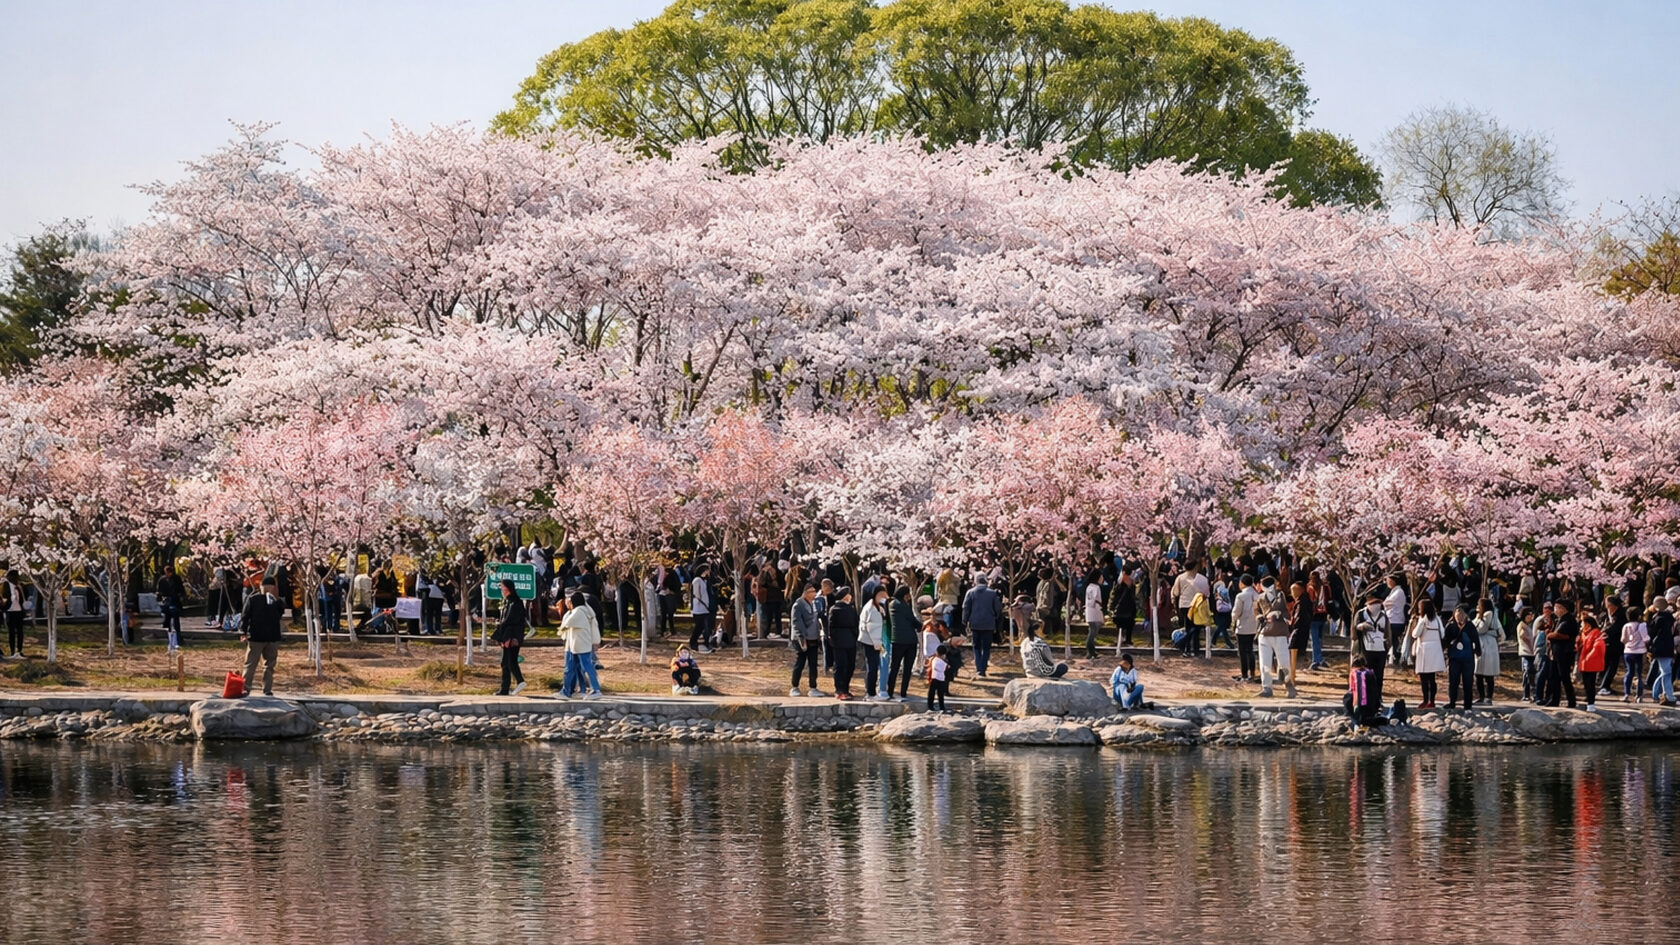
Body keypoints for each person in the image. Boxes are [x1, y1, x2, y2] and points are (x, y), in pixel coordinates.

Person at [238, 576, 286, 697]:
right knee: (265, 665)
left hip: (259, 636)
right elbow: (280, 614)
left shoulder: (257, 600)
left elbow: (245, 617)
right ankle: (264, 689)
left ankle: (248, 688)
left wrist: (243, 632)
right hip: (268, 637)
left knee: (254, 664)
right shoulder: (271, 601)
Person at [559, 590, 603, 700]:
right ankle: (582, 690)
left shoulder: (578, 611)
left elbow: (567, 623)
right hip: (580, 645)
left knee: (587, 667)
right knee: (580, 668)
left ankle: (596, 689)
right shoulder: (587, 611)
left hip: (581, 646)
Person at [491, 579, 529, 696]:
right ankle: (507, 687)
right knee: (508, 662)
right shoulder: (509, 602)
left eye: (502, 588)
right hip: (509, 636)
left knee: (508, 661)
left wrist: (505, 637)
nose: (501, 590)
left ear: (507, 589)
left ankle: (517, 682)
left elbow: (510, 622)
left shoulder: (515, 603)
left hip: (512, 637)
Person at [962, 574, 1003, 678]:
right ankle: (983, 668)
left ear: (976, 581)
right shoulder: (992, 593)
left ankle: (978, 667)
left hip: (975, 623)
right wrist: (996, 617)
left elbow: (966, 608)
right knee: (986, 647)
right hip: (988, 623)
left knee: (976, 646)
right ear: (985, 581)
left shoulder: (970, 592)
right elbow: (998, 609)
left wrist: (965, 620)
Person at [1354, 592, 1390, 710]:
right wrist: (1361, 627)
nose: (1375, 606)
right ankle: (1366, 698)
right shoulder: (1361, 614)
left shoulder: (1384, 616)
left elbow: (1388, 633)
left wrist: (1387, 647)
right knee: (1366, 674)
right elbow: (1354, 631)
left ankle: (1378, 698)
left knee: (1379, 675)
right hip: (1366, 649)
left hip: (1381, 650)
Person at [1443, 605, 1482, 711]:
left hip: (1467, 658)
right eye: (1457, 614)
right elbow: (1445, 641)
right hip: (1454, 658)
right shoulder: (1450, 626)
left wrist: (1478, 652)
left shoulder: (1470, 626)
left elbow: (1476, 640)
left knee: (1468, 681)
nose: (1459, 616)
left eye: (1461, 614)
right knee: (1453, 681)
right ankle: (1452, 702)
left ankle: (1467, 705)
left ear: (1465, 615)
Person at [1541, 599, 1579, 709]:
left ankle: (1571, 700)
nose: (1555, 610)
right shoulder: (1559, 620)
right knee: (1554, 677)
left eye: (1557, 607)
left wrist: (1550, 635)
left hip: (1564, 652)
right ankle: (1554, 699)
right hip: (1555, 652)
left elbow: (1562, 635)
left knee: (1564, 677)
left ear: (1563, 609)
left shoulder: (1569, 620)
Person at [886, 585, 920, 701]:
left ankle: (889, 691)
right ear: (905, 595)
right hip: (909, 640)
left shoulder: (891, 604)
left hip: (897, 640)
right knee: (907, 668)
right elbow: (912, 620)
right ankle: (903, 692)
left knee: (894, 667)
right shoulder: (903, 606)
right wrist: (921, 626)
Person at [790, 583, 824, 697]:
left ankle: (813, 687)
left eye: (814, 591)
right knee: (800, 662)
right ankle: (795, 686)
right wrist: (801, 638)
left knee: (813, 663)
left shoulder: (814, 604)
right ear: (805, 593)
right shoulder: (798, 605)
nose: (814, 594)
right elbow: (797, 623)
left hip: (813, 638)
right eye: (811, 592)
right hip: (802, 639)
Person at [1410, 599, 1446, 710]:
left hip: (1424, 650)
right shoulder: (1437, 619)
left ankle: (1425, 700)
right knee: (1432, 678)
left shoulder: (1423, 620)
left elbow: (1415, 634)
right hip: (1435, 650)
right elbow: (1443, 634)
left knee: (1424, 678)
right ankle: (1432, 701)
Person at [1258, 599, 1294, 698]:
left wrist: (1280, 614)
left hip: (1280, 634)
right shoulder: (1260, 598)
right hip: (1264, 633)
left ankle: (1288, 684)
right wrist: (1261, 617)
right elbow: (1256, 612)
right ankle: (1266, 687)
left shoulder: (1282, 597)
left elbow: (1289, 614)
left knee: (1284, 662)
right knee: (1265, 662)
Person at [1172, 559, 1210, 654]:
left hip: (1184, 605)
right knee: (1196, 628)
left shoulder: (1180, 578)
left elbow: (1176, 592)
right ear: (1195, 567)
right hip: (1197, 606)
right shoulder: (1202, 579)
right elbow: (1207, 593)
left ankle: (1186, 649)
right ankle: (1195, 649)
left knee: (1188, 627)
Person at [829, 587, 860, 700]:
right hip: (841, 641)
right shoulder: (835, 609)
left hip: (848, 640)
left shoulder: (851, 609)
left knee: (848, 665)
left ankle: (845, 688)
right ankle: (839, 689)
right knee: (841, 665)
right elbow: (831, 627)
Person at [860, 585, 889, 700]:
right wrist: (878, 644)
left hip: (871, 640)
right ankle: (870, 693)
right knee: (872, 667)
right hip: (870, 641)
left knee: (872, 666)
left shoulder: (876, 606)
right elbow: (872, 628)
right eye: (881, 594)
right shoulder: (871, 608)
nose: (883, 597)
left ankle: (870, 691)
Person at [1344, 654, 1387, 726]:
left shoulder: (1353, 673)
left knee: (1347, 697)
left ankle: (1349, 715)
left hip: (1359, 708)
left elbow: (1351, 689)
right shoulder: (1371, 673)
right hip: (1371, 709)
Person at [1473, 598, 1501, 705]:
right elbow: (1501, 632)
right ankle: (1484, 697)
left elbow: (1480, 629)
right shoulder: (1494, 616)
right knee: (1481, 673)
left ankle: (1486, 697)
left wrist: (1477, 618)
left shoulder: (1488, 615)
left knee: (1486, 673)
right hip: (1489, 643)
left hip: (1486, 643)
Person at [1648, 598, 1676, 706]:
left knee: (1665, 671)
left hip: (1659, 647)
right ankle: (1667, 695)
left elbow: (1651, 634)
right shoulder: (1669, 618)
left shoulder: (1657, 618)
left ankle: (1661, 694)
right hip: (1667, 646)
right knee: (1666, 672)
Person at [1577, 613, 1607, 711]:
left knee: (1590, 683)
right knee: (1586, 683)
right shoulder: (1583, 633)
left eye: (1583, 623)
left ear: (1588, 624)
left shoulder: (1596, 633)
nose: (1581, 625)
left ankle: (1591, 703)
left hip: (1591, 662)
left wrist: (1590, 656)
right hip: (1584, 662)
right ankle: (1589, 701)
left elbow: (1598, 646)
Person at [1621, 609, 1648, 703]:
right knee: (1639, 674)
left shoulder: (1626, 626)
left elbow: (1623, 639)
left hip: (1628, 651)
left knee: (1629, 672)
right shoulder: (1642, 625)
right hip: (1639, 651)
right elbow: (1646, 638)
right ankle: (1639, 695)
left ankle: (1626, 694)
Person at [157, 567, 185, 652]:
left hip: (175, 600)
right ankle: (170, 638)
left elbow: (181, 589)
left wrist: (181, 596)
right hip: (166, 600)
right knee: (168, 620)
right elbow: (159, 590)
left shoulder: (176, 579)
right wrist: (160, 597)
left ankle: (178, 638)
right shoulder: (162, 579)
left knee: (176, 620)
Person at [1384, 574, 1409, 668]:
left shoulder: (1399, 592)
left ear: (1393, 580)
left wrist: (1385, 604)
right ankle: (1393, 659)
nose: (1387, 582)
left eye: (1388, 579)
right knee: (1393, 641)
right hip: (1392, 619)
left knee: (1393, 642)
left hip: (1395, 620)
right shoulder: (1394, 591)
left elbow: (1387, 604)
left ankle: (1395, 660)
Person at [1516, 607, 1540, 702]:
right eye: (1529, 615)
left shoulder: (1530, 625)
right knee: (1529, 671)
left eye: (1532, 615)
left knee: (1527, 674)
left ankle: (1526, 694)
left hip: (1531, 652)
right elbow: (1524, 637)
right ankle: (1533, 692)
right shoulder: (1522, 625)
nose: (1531, 617)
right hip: (1526, 652)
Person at [688, 563, 713, 652]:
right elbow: (696, 593)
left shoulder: (704, 580)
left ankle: (698, 641)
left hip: (704, 606)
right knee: (699, 625)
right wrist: (703, 603)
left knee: (702, 625)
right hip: (699, 606)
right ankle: (693, 641)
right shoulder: (697, 580)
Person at [1111, 570, 1138, 647]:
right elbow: (1116, 597)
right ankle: (1123, 640)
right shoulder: (1121, 586)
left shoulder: (1130, 586)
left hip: (1127, 610)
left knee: (1127, 626)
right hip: (1122, 610)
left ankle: (1126, 640)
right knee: (1123, 626)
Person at [3, 570, 26, 660]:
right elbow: (5, 596)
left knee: (20, 632)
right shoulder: (6, 585)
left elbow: (23, 597)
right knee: (11, 632)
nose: (15, 579)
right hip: (10, 610)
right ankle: (12, 651)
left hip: (19, 610)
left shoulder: (19, 586)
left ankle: (19, 650)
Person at [1082, 570, 1105, 660]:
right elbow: (1095, 599)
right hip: (1094, 610)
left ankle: (1091, 651)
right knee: (1093, 631)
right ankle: (1091, 651)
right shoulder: (1096, 587)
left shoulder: (1089, 587)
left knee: (1093, 630)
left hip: (1090, 610)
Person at [926, 644, 951, 711]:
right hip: (935, 678)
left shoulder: (940, 660)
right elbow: (937, 667)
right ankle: (931, 706)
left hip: (939, 679)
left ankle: (940, 707)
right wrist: (946, 666)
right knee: (933, 693)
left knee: (939, 694)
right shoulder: (936, 660)